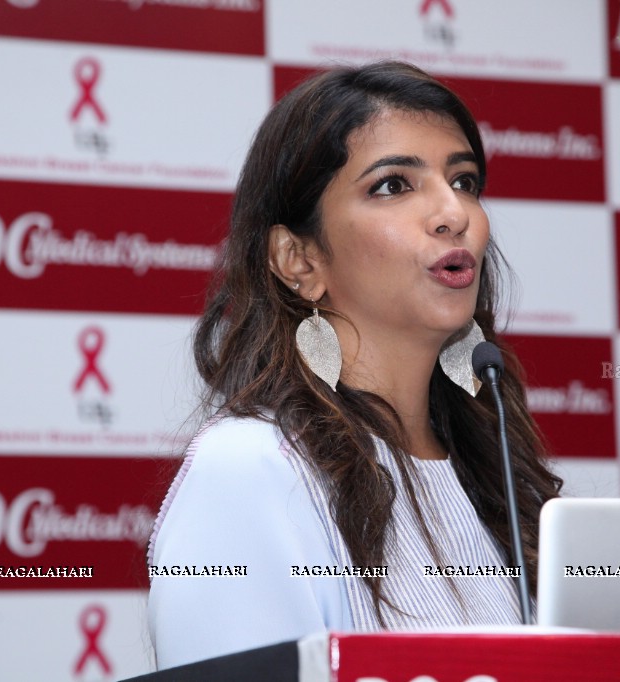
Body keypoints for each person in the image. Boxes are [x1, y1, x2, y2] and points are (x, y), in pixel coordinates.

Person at [146, 61, 562, 669]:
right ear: (299, 260)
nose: (456, 213)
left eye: (465, 180)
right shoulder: (254, 471)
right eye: (394, 185)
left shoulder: (495, 468)